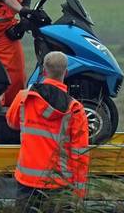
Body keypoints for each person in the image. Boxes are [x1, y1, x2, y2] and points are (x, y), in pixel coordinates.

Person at [6, 51, 90, 210]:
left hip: (27, 181)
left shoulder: (24, 98)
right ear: (66, 72)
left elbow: (12, 122)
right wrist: (79, 191)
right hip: (58, 184)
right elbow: (79, 154)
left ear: (43, 71)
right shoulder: (75, 109)